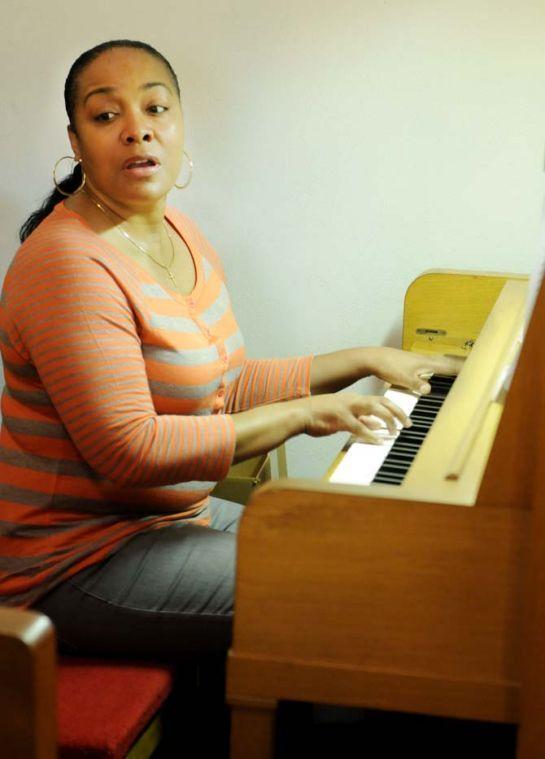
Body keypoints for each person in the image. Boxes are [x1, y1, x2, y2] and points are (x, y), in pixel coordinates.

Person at [0, 40, 460, 661]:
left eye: (155, 109)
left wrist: (365, 361)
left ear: (181, 124)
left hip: (170, 523)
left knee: (361, 556)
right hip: (78, 558)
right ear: (76, 142)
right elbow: (129, 448)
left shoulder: (176, 232)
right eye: (106, 116)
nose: (137, 131)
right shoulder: (65, 264)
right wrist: (298, 416)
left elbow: (225, 384)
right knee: (352, 593)